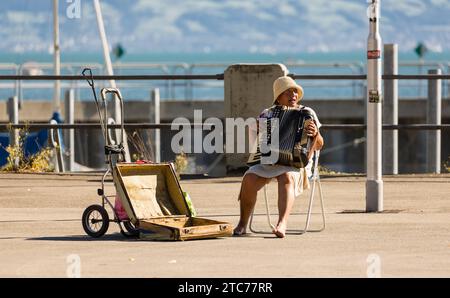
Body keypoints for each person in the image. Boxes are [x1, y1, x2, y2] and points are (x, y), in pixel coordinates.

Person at [233, 76, 324, 238]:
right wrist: (255, 130)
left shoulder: (307, 113)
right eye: (288, 92)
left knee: (286, 176)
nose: (293, 95)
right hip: (269, 162)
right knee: (249, 178)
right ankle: (242, 224)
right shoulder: (267, 114)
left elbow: (319, 145)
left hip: (296, 163)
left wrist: (315, 134)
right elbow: (257, 148)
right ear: (278, 96)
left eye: (295, 92)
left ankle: (282, 223)